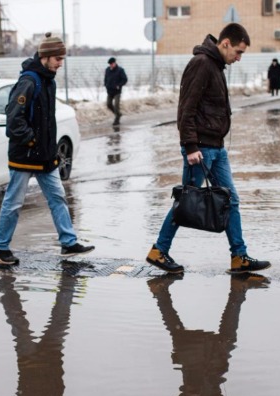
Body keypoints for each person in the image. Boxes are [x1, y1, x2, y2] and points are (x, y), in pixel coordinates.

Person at [145, 23, 270, 275]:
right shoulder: (202, 63)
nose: (239, 58)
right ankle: (158, 251)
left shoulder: (216, 65)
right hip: (200, 149)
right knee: (186, 203)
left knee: (231, 201)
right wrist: (190, 146)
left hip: (216, 149)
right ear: (225, 43)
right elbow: (186, 109)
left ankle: (239, 256)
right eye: (238, 52)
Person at [0, 33, 94, 265]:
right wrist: (31, 141)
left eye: (62, 58)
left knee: (58, 197)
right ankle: (0, 247)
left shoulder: (49, 80)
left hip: (45, 156)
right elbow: (13, 119)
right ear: (45, 57)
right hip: (25, 156)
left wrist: (48, 147)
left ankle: (68, 244)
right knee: (14, 203)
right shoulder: (29, 81)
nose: (60, 63)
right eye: (57, 58)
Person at [104, 57, 128, 125]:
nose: (111, 65)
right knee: (108, 104)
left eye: (112, 64)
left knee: (116, 105)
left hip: (117, 91)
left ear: (115, 63)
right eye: (110, 64)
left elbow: (125, 79)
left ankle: (117, 119)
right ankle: (118, 114)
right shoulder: (107, 70)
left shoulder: (120, 70)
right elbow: (106, 79)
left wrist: (119, 85)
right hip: (110, 91)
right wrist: (106, 85)